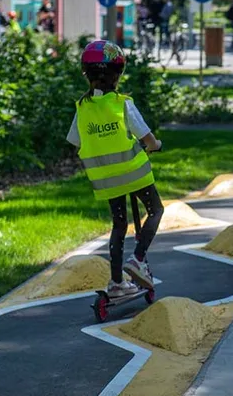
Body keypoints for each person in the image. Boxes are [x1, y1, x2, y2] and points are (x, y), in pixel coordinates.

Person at [67, 41, 165, 298]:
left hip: (105, 179)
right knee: (155, 210)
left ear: (86, 74)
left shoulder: (83, 108)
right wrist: (156, 145)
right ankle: (139, 259)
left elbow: (75, 141)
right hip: (133, 173)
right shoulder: (122, 104)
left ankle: (116, 282)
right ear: (118, 75)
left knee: (119, 224)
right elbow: (147, 138)